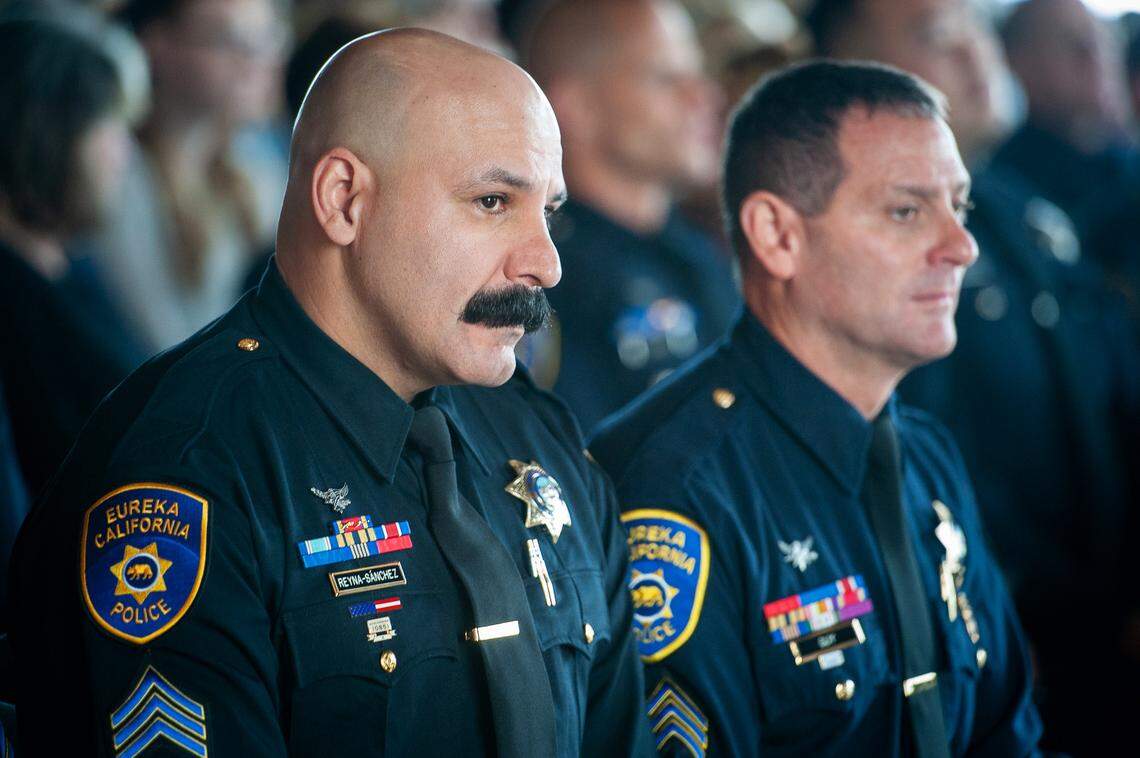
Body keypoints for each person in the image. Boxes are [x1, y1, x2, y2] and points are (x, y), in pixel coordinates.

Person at [10, 28, 651, 757]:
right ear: (344, 199)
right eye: (493, 201)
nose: (547, 263)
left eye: (550, 211)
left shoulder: (539, 442)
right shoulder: (185, 473)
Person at [591, 60, 1043, 756]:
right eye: (906, 210)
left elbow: (1007, 737)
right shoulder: (674, 490)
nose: (961, 246)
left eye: (961, 206)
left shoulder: (926, 456)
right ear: (778, 235)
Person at [806, 2, 1140, 751]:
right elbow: (905, 456)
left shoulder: (1027, 212)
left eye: (974, 28)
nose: (974, 51)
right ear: (846, 72)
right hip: (1001, 641)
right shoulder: (857, 241)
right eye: (935, 34)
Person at [517, 0, 740, 429]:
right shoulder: (545, 275)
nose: (705, 96)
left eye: (698, 75)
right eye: (667, 78)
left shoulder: (697, 249)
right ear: (578, 107)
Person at [91, 0, 288, 352]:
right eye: (230, 40)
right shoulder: (121, 177)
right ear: (157, 44)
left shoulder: (258, 162)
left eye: (268, 38)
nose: (258, 61)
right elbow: (161, 345)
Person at [0, 16, 142, 500]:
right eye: (110, 124)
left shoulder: (73, 267)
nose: (124, 151)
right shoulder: (15, 299)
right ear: (47, 131)